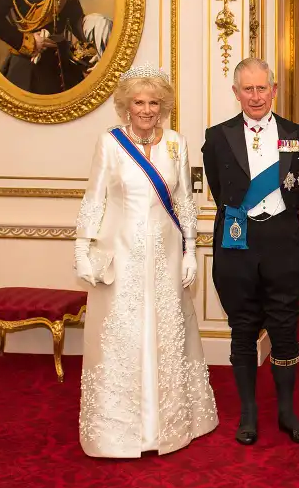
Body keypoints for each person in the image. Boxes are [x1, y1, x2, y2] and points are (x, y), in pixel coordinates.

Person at [74, 63, 218, 458]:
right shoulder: (110, 143)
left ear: (163, 106)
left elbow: (185, 202)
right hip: (121, 253)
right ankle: (121, 431)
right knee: (124, 334)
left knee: (168, 331)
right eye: (139, 101)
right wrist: (81, 249)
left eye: (154, 102)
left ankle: (168, 425)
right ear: (125, 106)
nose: (146, 109)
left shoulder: (176, 143)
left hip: (167, 253)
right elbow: (94, 199)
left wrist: (190, 250)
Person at [202, 57, 299, 445]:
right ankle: (248, 414)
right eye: (247, 89)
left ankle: (286, 412)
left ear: (274, 90)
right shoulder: (217, 137)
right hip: (237, 243)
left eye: (261, 87)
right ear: (236, 93)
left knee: (285, 328)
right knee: (243, 328)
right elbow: (219, 189)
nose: (255, 96)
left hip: (281, 243)